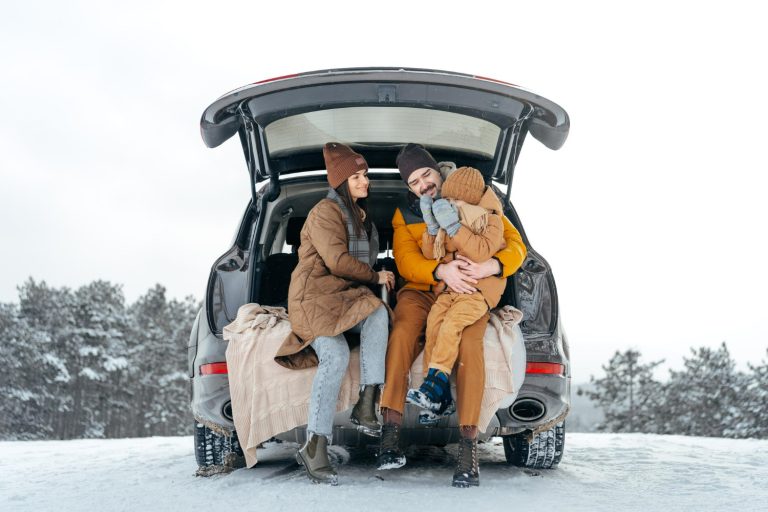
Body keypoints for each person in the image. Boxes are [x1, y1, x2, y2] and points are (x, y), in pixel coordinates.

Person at [377, 143, 527, 488]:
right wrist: (442, 271)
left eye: (426, 174)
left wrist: (494, 264)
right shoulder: (406, 214)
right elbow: (405, 262)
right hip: (422, 288)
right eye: (414, 181)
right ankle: (390, 431)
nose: (423, 184)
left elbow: (514, 243)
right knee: (401, 333)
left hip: (468, 288)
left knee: (471, 342)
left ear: (438, 172)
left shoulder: (474, 196)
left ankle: (468, 445)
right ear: (409, 187)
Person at [275, 142, 395, 486]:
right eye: (357, 176)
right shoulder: (325, 212)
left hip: (343, 296)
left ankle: (367, 402)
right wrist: (375, 277)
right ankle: (315, 446)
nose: (365, 181)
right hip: (313, 298)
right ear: (341, 181)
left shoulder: (362, 217)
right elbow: (337, 262)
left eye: (365, 175)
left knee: (377, 313)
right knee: (337, 356)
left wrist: (380, 277)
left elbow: (363, 265)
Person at [406, 166, 507, 416]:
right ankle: (438, 401)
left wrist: (454, 227)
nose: (450, 203)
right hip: (452, 290)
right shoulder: (455, 217)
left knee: (451, 324)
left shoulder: (491, 220)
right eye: (447, 199)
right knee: (434, 324)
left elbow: (481, 251)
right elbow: (432, 254)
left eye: (454, 199)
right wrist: (432, 228)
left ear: (469, 198)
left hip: (477, 292)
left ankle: (435, 384)